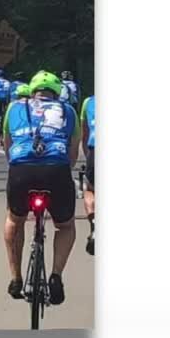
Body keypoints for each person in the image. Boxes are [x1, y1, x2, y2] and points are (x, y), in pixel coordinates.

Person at [2, 72, 82, 305]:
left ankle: (15, 278)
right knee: (65, 226)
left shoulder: (14, 107)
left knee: (14, 220)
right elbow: (74, 154)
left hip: (22, 170)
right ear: (57, 92)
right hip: (56, 170)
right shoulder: (68, 111)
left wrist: (18, 169)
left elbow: (7, 146)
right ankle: (56, 276)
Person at [80, 94, 96, 256]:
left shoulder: (89, 101)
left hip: (95, 147)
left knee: (90, 190)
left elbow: (84, 134)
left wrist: (86, 155)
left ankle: (93, 221)